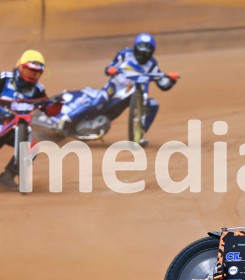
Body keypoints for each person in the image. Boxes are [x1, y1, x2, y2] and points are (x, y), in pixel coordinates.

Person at [58, 34, 177, 145]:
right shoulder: (125, 54)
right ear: (135, 48)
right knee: (98, 102)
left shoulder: (152, 64)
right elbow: (109, 68)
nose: (143, 55)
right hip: (115, 87)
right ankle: (67, 119)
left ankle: (140, 133)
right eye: (140, 51)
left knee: (153, 105)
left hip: (135, 93)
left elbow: (163, 84)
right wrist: (112, 70)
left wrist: (171, 80)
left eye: (146, 52)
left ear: (151, 52)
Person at [0, 50, 62, 190]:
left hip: (16, 125)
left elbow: (48, 109)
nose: (32, 75)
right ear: (20, 67)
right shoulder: (4, 79)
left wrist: (57, 104)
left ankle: (7, 177)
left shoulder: (38, 89)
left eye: (36, 73)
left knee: (33, 147)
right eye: (29, 71)